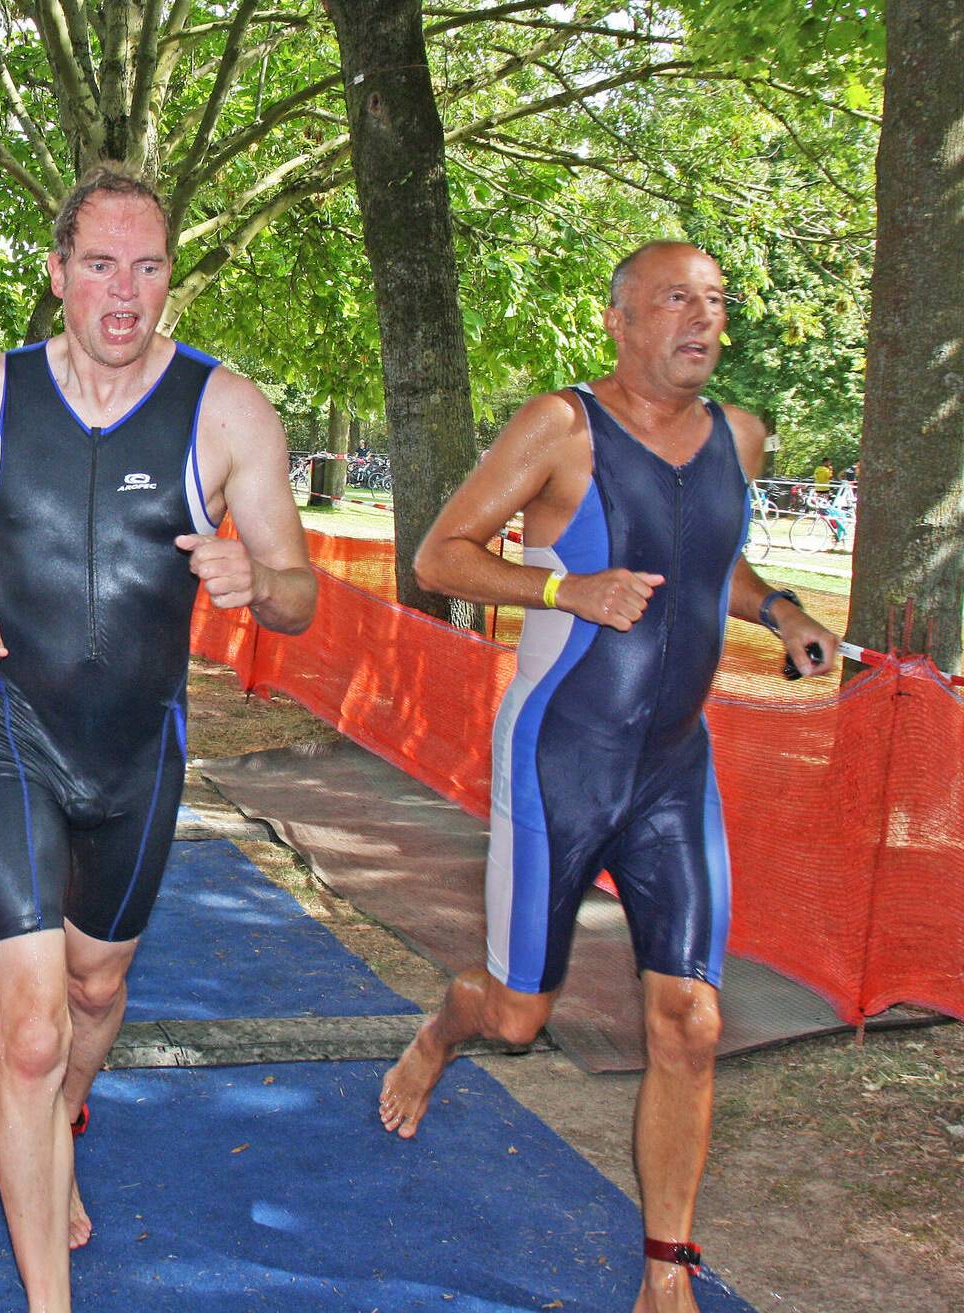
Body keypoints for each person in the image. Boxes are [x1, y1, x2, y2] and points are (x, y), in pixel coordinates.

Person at [377, 241, 841, 1313]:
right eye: (674, 297)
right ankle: (442, 1027)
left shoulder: (740, 435)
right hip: (560, 762)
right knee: (514, 1017)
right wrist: (562, 587)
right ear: (619, 317)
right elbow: (439, 557)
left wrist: (779, 612)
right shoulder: (559, 427)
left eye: (715, 299)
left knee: (688, 1020)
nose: (700, 316)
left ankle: (662, 1274)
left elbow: (710, 555)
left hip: (674, 767)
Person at [0, 168, 318, 1311]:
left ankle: (60, 1118)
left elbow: (297, 592)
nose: (122, 293)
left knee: (92, 994)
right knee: (28, 1031)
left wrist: (257, 581)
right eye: (98, 264)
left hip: (141, 749)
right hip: (14, 731)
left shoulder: (227, 410)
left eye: (145, 267)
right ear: (56, 274)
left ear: (167, 279)